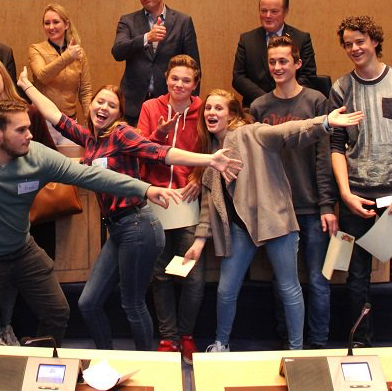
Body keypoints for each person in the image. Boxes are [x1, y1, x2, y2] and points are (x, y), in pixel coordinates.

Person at [0, 100, 184, 346]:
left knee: (57, 312)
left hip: (21, 250)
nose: (30, 135)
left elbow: (89, 175)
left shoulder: (37, 155)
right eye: (21, 130)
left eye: (28, 128)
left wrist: (144, 189)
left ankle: (36, 368)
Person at [18, 68, 243, 352]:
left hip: (138, 225)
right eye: (100, 102)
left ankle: (147, 361)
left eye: (112, 105)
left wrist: (208, 160)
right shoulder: (90, 139)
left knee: (132, 303)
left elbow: (161, 152)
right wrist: (26, 85)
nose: (104, 108)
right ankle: (107, 357)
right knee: (88, 302)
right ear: (91, 106)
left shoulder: (121, 134)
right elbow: (54, 115)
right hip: (117, 229)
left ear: (118, 114)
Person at [184, 89, 362, 353]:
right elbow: (210, 202)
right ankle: (221, 344)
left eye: (218, 108)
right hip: (240, 228)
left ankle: (296, 350)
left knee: (289, 287)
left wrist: (324, 122)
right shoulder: (209, 152)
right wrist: (199, 241)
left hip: (275, 222)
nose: (211, 112)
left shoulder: (251, 133)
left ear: (232, 115)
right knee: (225, 290)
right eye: (208, 108)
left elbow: (287, 132)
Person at [329, 15, 392, 347]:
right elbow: (336, 147)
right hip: (357, 200)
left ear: (374, 41)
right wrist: (345, 193)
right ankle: (360, 344)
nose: (354, 48)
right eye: (348, 44)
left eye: (360, 41)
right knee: (356, 279)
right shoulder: (341, 89)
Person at [250, 35, 336, 349]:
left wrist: (327, 205)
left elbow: (324, 156)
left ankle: (318, 344)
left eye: (283, 61)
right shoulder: (259, 107)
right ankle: (288, 341)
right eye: (272, 61)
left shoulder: (316, 102)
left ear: (297, 64)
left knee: (317, 279)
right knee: (283, 282)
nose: (277, 67)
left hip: (312, 206)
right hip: (277, 209)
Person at [0, 58, 57, 345]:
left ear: (4, 78)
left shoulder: (28, 112)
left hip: (31, 211)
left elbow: (48, 155)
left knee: (27, 281)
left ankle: (16, 331)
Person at [135, 54, 205, 362]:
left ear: (195, 83)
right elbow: (139, 150)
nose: (179, 84)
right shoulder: (150, 108)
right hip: (158, 200)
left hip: (188, 201)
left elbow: (213, 148)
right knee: (160, 273)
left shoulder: (203, 110)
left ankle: (186, 334)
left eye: (186, 80)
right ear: (166, 78)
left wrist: (200, 176)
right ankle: (168, 337)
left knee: (193, 275)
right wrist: (159, 135)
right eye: (174, 78)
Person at [112, 0, 200, 125]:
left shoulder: (183, 22)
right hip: (133, 106)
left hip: (171, 104)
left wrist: (192, 105)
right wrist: (147, 38)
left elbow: (194, 68)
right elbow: (118, 51)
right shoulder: (128, 21)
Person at [232, 0, 317, 106]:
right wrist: (267, 100)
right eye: (263, 11)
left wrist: (287, 97)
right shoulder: (247, 40)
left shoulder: (301, 39)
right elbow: (238, 78)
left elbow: (308, 76)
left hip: (293, 106)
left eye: (274, 11)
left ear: (285, 11)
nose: (268, 15)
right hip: (256, 107)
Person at [27, 3, 93, 132]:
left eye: (56, 22)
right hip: (43, 122)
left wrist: (90, 121)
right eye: (47, 23)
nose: (51, 27)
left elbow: (85, 91)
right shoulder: (36, 49)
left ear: (66, 24)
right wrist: (68, 56)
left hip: (69, 121)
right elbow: (42, 76)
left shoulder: (79, 53)